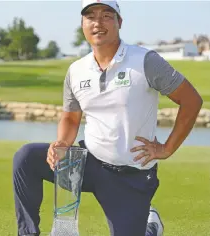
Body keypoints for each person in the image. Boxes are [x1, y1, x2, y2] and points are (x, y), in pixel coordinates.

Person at [13, 0, 203, 235]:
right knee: (26, 158)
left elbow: (192, 101)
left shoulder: (145, 61)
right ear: (82, 24)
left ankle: (150, 227)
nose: (98, 23)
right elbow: (71, 117)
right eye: (91, 16)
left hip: (129, 175)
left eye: (106, 15)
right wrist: (62, 143)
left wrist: (167, 148)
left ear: (119, 22)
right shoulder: (76, 70)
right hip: (87, 163)